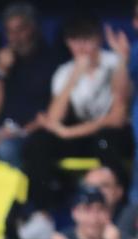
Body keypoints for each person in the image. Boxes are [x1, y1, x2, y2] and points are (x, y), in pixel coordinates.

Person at [21, 15, 134, 224]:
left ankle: (116, 214)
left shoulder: (115, 62)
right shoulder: (65, 71)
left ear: (98, 39)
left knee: (108, 139)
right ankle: (43, 213)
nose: (81, 47)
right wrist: (75, 75)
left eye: (86, 39)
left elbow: (118, 117)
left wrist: (69, 132)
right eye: (74, 40)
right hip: (82, 136)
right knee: (39, 142)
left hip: (111, 135)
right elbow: (54, 119)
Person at [0, 2, 60, 167]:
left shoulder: (52, 63)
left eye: (20, 30)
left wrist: (18, 132)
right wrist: (0, 71)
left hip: (32, 134)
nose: (15, 37)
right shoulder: (4, 63)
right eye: (10, 31)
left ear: (33, 28)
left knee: (6, 149)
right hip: (0, 132)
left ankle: (17, 194)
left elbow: (50, 116)